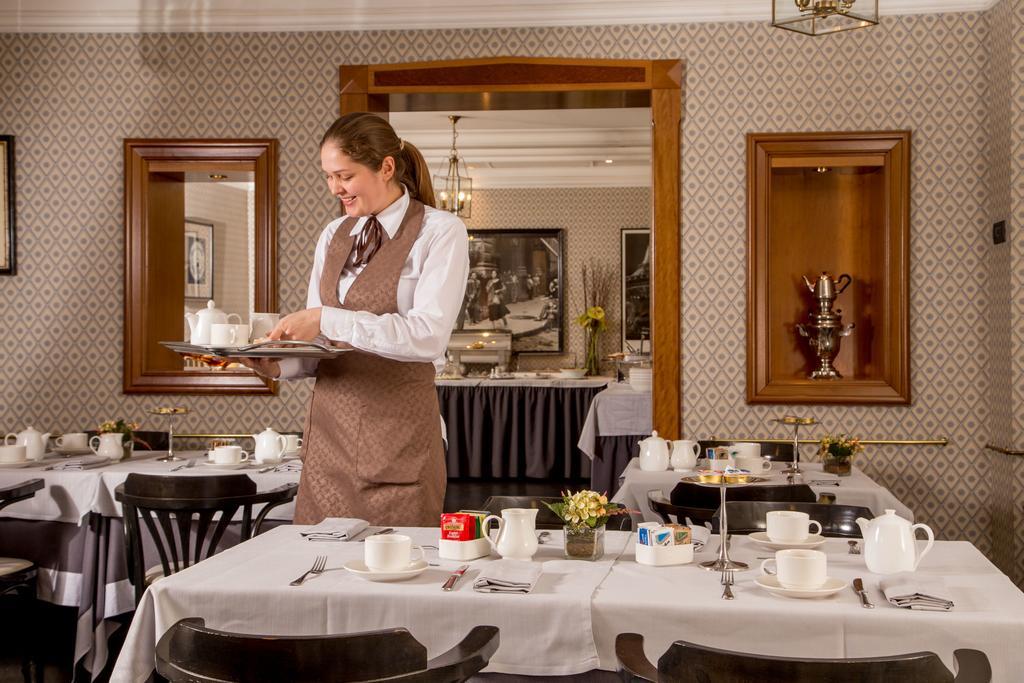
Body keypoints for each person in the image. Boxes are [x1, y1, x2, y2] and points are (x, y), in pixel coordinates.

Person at [241, 112, 469, 527]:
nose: (334, 188)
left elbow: (427, 338)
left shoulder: (440, 231)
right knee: (317, 572)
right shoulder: (332, 235)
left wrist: (327, 318)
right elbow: (323, 348)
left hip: (399, 441)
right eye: (328, 176)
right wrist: (276, 363)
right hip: (329, 443)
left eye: (344, 175)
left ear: (386, 167)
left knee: (397, 574)